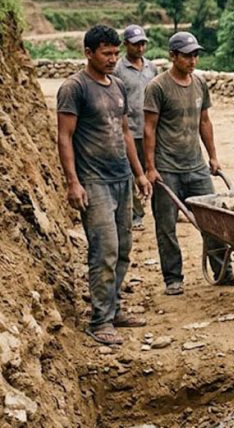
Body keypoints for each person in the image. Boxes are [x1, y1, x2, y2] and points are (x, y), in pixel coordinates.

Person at [57, 25, 151, 346]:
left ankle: (114, 308)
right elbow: (64, 137)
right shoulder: (75, 88)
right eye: (106, 53)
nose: (112, 59)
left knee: (124, 249)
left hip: (121, 177)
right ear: (88, 53)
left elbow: (125, 133)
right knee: (105, 250)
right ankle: (100, 321)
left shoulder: (118, 86)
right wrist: (73, 182)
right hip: (93, 182)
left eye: (115, 53)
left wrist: (139, 174)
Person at [145, 32, 234, 296]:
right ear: (173, 56)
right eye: (187, 55)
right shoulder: (157, 87)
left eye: (195, 55)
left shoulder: (199, 84)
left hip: (196, 165)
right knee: (166, 224)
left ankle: (222, 272)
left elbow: (204, 122)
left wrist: (213, 156)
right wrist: (150, 167)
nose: (192, 60)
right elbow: (149, 129)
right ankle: (173, 278)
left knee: (214, 220)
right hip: (167, 167)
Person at [113, 24, 158, 230]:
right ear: (126, 45)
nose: (140, 48)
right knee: (132, 172)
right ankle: (136, 213)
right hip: (129, 129)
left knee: (153, 169)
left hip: (150, 129)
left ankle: (160, 208)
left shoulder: (151, 68)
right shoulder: (118, 70)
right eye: (135, 44)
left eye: (142, 44)